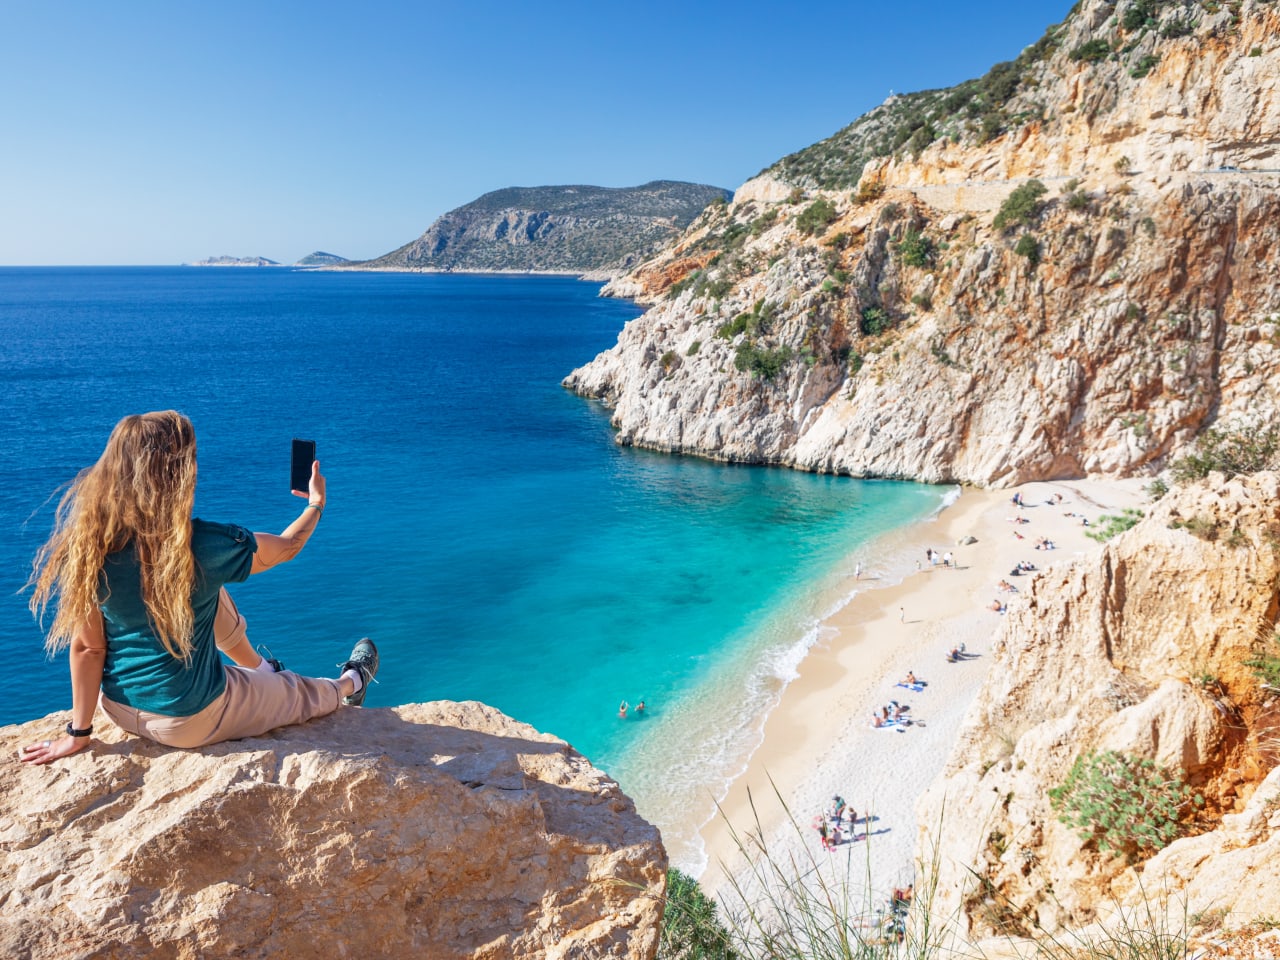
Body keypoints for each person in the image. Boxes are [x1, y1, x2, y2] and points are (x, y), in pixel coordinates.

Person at [21, 411, 378, 766]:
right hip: (190, 720)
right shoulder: (205, 546)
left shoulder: (88, 546)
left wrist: (78, 733)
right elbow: (288, 545)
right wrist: (316, 504)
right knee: (295, 692)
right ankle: (351, 683)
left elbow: (87, 648)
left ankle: (260, 668)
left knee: (204, 588)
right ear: (179, 473)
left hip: (117, 708)